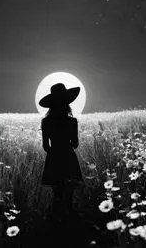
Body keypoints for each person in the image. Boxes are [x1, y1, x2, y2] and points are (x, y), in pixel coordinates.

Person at [39, 83, 83, 222]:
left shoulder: (46, 122)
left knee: (57, 193)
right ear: (67, 103)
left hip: (53, 157)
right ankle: (69, 221)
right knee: (69, 192)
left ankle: (56, 222)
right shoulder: (73, 121)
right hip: (69, 156)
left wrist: (54, 150)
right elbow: (75, 144)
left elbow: (46, 146)